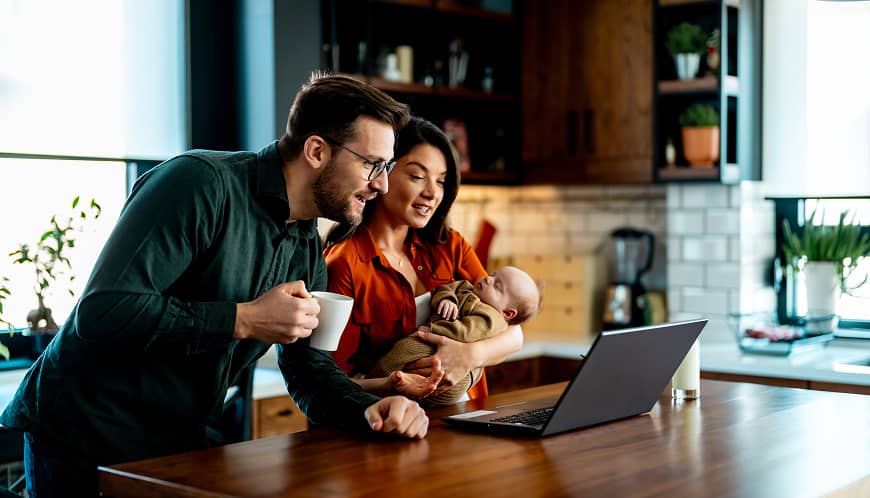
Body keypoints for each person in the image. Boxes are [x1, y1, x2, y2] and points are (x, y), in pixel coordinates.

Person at [0, 72, 430, 498]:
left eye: (387, 167)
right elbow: (102, 312)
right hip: (82, 433)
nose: (382, 184)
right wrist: (243, 319)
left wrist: (370, 410)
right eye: (373, 164)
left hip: (174, 440)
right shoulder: (199, 183)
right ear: (316, 150)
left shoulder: (304, 243)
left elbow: (307, 369)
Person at [324, 116, 524, 402]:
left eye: (441, 181)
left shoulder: (450, 246)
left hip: (468, 419)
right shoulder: (345, 263)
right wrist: (390, 384)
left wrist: (467, 355)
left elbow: (514, 334)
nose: (432, 193)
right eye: (417, 176)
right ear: (383, 172)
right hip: (390, 427)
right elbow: (331, 383)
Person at [371, 266, 541, 405]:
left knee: (407, 350)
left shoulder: (491, 318)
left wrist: (433, 330)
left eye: (497, 287)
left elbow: (465, 332)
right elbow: (445, 289)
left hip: (440, 348)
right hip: (436, 351)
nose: (488, 279)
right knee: (406, 355)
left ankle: (379, 380)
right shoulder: (467, 287)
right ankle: (378, 384)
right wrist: (447, 300)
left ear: (508, 313)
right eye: (492, 274)